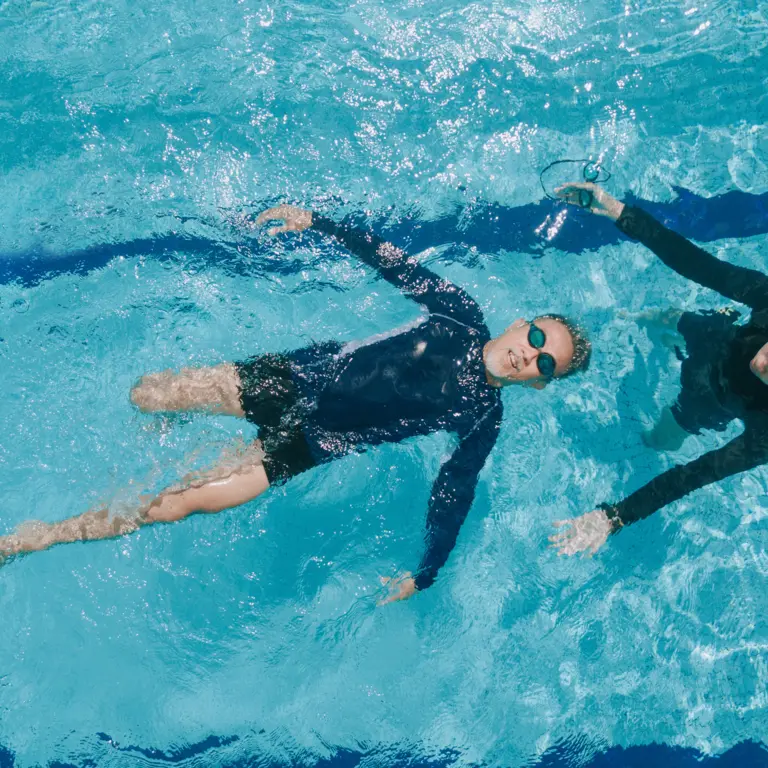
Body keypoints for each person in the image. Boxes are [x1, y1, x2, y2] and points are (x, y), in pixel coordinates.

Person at [0, 204, 590, 601]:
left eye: (544, 363)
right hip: (295, 378)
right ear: (519, 325)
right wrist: (321, 222)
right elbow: (390, 259)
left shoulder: (482, 419)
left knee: (166, 508)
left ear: (538, 383)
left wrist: (426, 574)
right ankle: (169, 420)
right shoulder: (458, 313)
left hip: (307, 445)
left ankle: (38, 538)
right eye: (535, 338)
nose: (528, 355)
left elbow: (453, 493)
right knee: (147, 394)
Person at [549, 181, 768, 557]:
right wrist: (621, 212)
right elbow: (697, 264)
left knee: (659, 441)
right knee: (661, 319)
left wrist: (613, 517)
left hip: (708, 400)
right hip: (713, 336)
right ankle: (644, 325)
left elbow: (696, 475)